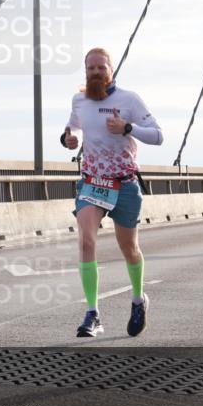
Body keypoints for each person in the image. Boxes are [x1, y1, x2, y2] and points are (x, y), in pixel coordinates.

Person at [62, 47, 163, 338]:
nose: (95, 72)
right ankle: (92, 313)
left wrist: (127, 128)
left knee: (129, 248)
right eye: (90, 68)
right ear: (86, 71)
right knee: (86, 241)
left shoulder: (129, 100)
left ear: (111, 70)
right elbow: (74, 128)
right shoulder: (79, 100)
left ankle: (138, 299)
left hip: (124, 183)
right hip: (93, 182)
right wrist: (70, 139)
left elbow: (158, 135)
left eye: (101, 68)